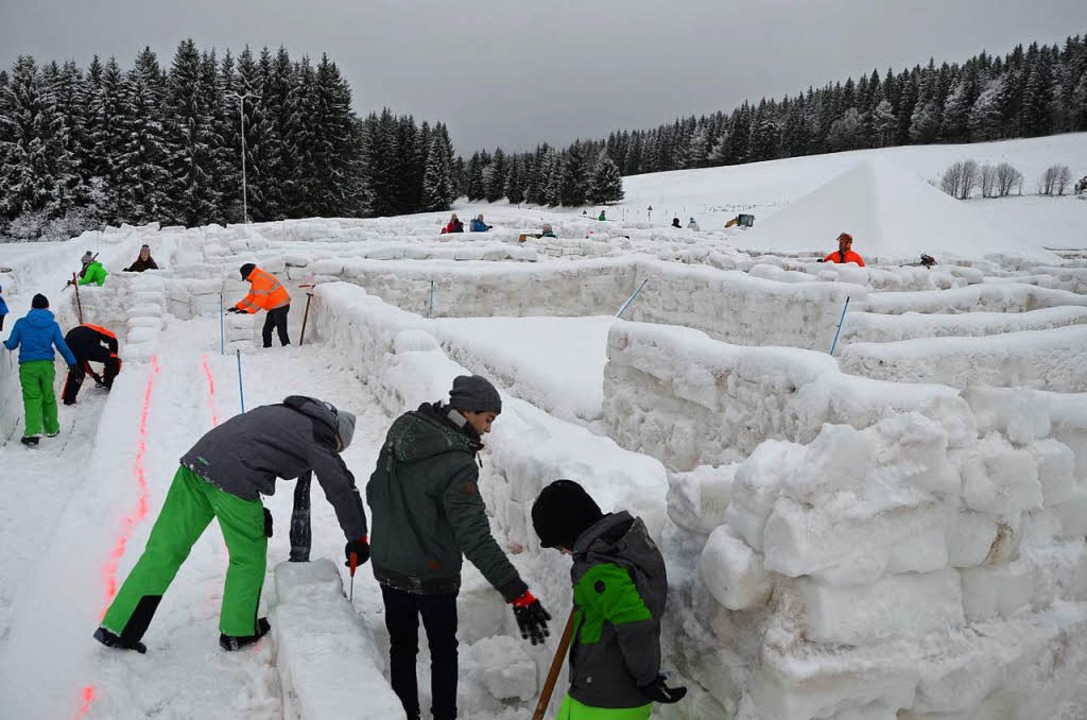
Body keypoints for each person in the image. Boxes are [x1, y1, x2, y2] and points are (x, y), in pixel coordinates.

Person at [94, 395, 366, 653]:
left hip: (194, 465)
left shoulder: (285, 411)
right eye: (339, 447)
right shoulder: (317, 436)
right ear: (336, 434)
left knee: (163, 550)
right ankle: (237, 631)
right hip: (233, 480)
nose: (335, 450)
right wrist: (358, 537)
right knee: (247, 556)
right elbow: (341, 486)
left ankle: (118, 629)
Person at [367, 375, 550, 720]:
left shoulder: (403, 428)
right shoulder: (458, 463)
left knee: (401, 647)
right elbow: (475, 538)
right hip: (433, 574)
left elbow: (375, 489)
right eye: (488, 419)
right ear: (468, 412)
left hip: (389, 565)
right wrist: (518, 593)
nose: (489, 430)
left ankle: (404, 713)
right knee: (442, 650)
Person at [532, 480, 687, 720]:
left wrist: (647, 678)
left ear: (568, 531)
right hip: (600, 693)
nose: (562, 552)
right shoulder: (623, 548)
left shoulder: (599, 569)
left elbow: (636, 624)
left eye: (558, 545)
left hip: (605, 700)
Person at [2, 294, 78, 447]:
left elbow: (11, 345)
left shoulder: (21, 323)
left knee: (32, 398)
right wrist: (73, 363)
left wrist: (5, 343)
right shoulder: (53, 325)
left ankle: (32, 433)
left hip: (28, 367)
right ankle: (52, 428)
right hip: (46, 366)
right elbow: (61, 346)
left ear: (32, 307)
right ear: (47, 307)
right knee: (48, 395)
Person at [227, 263, 291, 348]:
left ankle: (287, 347)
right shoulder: (257, 278)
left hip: (281, 306)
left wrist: (249, 311)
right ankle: (267, 348)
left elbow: (261, 299)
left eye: (245, 277)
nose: (246, 280)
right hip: (275, 306)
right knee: (266, 330)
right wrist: (238, 307)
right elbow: (251, 297)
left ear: (248, 274)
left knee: (281, 330)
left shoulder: (259, 279)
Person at [61, 323, 122, 405]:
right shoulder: (97, 328)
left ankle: (69, 400)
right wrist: (114, 354)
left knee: (77, 371)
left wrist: (93, 375)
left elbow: (83, 359)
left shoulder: (82, 330)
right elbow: (113, 338)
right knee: (113, 359)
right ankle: (109, 384)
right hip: (84, 343)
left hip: (69, 344)